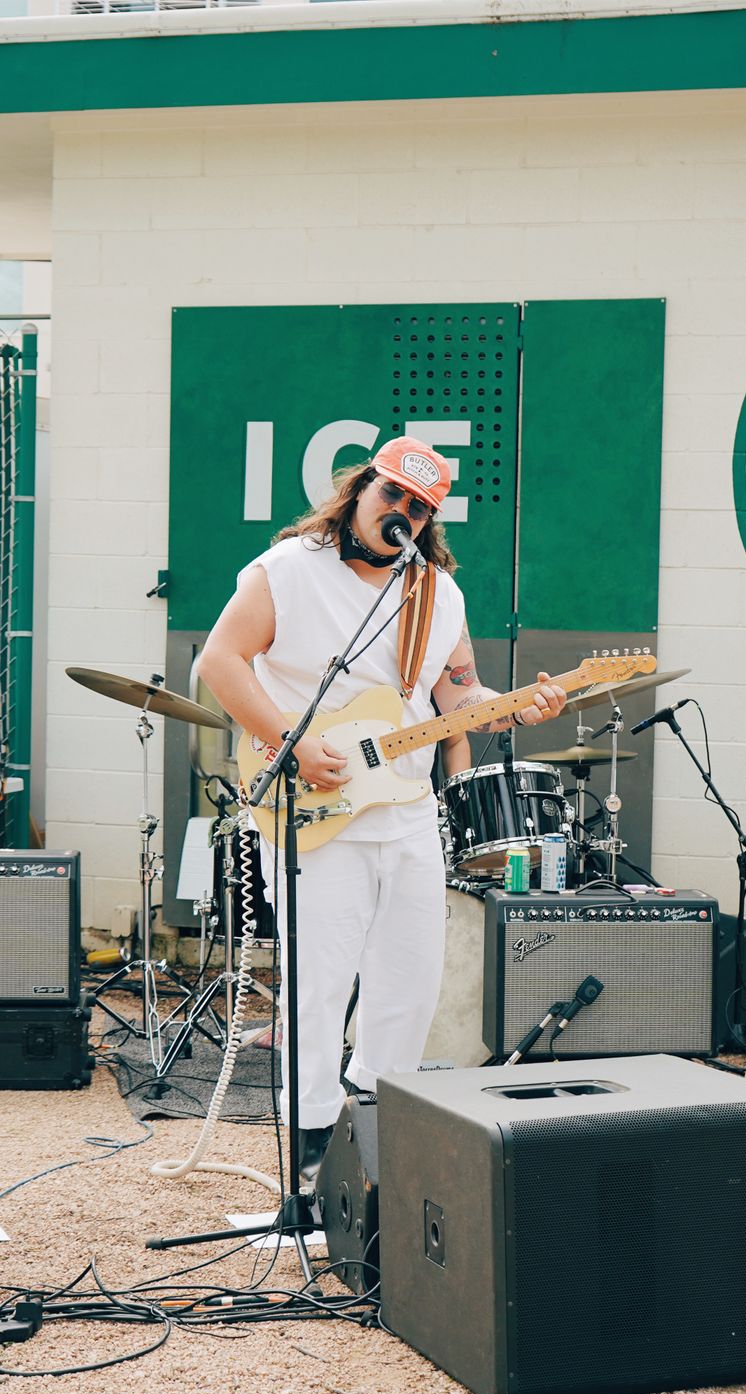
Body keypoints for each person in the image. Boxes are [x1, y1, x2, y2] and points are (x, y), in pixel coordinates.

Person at [197, 436, 566, 1174]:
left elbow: (458, 696)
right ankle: (305, 1152)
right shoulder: (289, 571)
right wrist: (292, 745)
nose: (402, 513)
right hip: (313, 804)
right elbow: (219, 662)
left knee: (410, 978)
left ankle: (368, 1138)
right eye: (391, 494)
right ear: (360, 490)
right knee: (319, 980)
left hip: (405, 811)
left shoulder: (440, 594)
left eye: (420, 507)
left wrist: (518, 709)